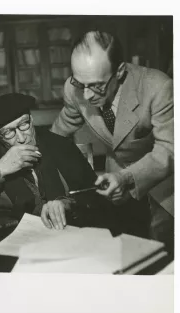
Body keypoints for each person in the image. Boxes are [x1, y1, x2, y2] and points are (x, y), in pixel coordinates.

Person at [51, 29, 174, 230]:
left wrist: (125, 177)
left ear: (119, 71)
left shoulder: (158, 87)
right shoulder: (75, 88)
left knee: (162, 246)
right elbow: (59, 131)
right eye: (81, 84)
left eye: (97, 86)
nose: (88, 95)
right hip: (115, 187)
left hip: (165, 187)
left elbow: (169, 150)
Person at [0, 93, 99, 230]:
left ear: (31, 120)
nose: (21, 138)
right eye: (9, 132)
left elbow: (95, 195)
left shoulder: (60, 145)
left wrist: (66, 204)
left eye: (24, 124)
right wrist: (0, 170)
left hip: (68, 230)